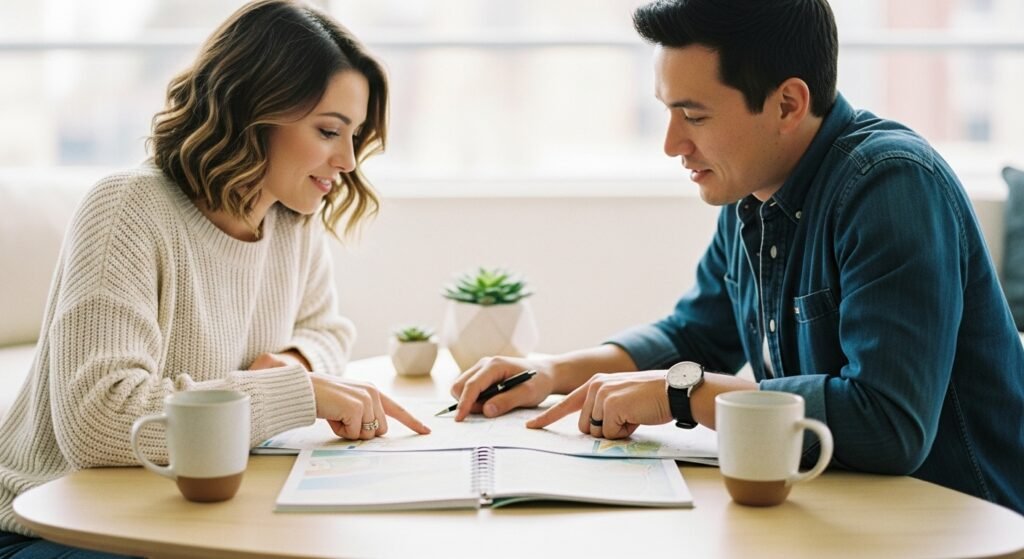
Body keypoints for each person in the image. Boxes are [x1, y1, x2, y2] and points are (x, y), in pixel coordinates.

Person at [450, 0, 1024, 514]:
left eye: (694, 116)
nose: (672, 143)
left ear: (787, 104)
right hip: (848, 511)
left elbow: (888, 423)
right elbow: (697, 333)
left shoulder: (891, 186)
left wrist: (681, 394)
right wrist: (553, 370)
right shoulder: (753, 185)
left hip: (964, 524)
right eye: (668, 111)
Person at [0, 1, 430, 554]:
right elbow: (99, 420)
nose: (347, 160)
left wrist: (295, 363)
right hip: (57, 523)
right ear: (253, 111)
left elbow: (327, 331)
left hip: (172, 515)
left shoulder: (290, 217)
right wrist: (292, 393)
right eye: (329, 131)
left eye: (355, 136)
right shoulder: (127, 208)